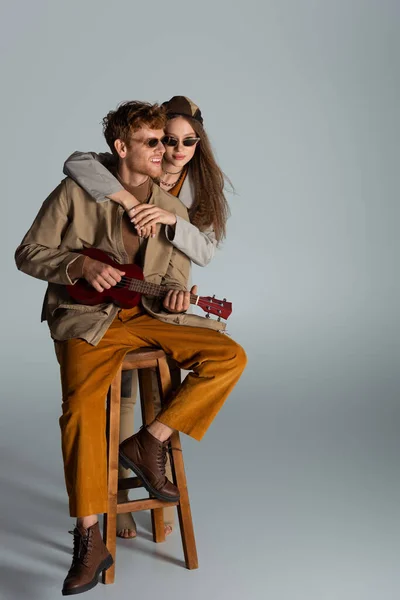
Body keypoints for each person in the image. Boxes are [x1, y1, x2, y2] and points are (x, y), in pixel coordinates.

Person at [15, 100, 247, 596]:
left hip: (148, 315)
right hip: (87, 320)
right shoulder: (76, 192)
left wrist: (176, 293)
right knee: (79, 409)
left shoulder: (174, 210)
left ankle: (150, 440)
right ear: (122, 148)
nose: (165, 151)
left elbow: (171, 279)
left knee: (229, 356)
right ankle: (89, 537)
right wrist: (78, 268)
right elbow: (28, 252)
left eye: (169, 141)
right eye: (154, 142)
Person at [63, 96, 230, 539]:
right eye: (166, 140)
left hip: (158, 299)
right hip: (107, 304)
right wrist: (125, 198)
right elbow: (77, 162)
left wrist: (171, 221)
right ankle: (114, 502)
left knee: (159, 393)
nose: (175, 150)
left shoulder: (196, 193)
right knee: (120, 399)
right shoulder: (127, 165)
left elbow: (205, 252)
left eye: (187, 141)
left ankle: (149, 455)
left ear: (199, 143)